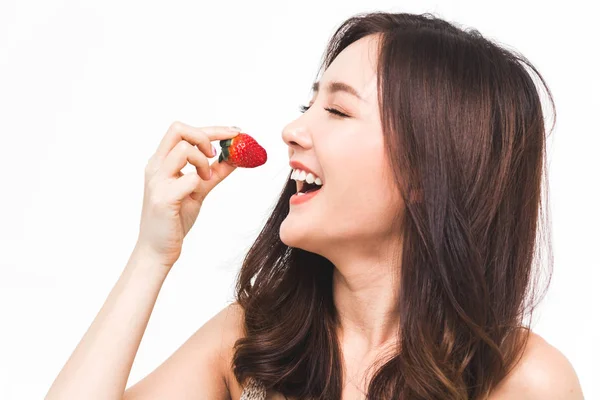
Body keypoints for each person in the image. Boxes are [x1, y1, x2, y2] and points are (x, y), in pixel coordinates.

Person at [45, 11, 584, 400]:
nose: (292, 130)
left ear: (427, 172)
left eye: (338, 111)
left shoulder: (524, 381)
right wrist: (151, 256)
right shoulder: (255, 343)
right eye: (309, 104)